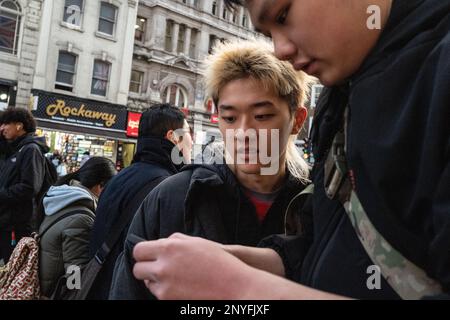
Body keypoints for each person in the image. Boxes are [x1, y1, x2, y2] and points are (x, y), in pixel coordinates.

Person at [130, 0, 450, 300]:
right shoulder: (342, 97)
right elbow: (324, 249)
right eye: (268, 33)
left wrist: (240, 286)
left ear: (297, 119)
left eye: (283, 15)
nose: (280, 49)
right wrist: (248, 262)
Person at [109, 39, 311, 299]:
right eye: (229, 118)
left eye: (261, 116)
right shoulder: (173, 198)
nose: (242, 133)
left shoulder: (317, 207)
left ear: (297, 120)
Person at [87, 103, 192, 299]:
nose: (191, 142)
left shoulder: (119, 178)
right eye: (188, 133)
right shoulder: (169, 188)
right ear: (173, 138)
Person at [38, 157, 116, 298]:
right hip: (54, 293)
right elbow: (74, 270)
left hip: (44, 286)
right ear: (100, 186)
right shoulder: (81, 218)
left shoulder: (63, 198)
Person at [0, 107, 50, 264]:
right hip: (6, 222)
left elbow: (30, 187)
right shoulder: (14, 150)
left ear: (19, 126)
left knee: (12, 269)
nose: (2, 128)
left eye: (6, 124)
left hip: (17, 225)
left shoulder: (30, 150)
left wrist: (1, 194)